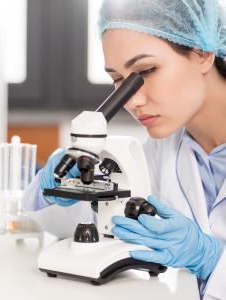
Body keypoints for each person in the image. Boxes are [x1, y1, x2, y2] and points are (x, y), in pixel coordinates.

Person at [23, 0, 226, 299]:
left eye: (146, 70)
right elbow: (79, 228)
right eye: (118, 80)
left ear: (202, 54)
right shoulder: (159, 152)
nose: (132, 100)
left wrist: (211, 258)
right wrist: (52, 185)